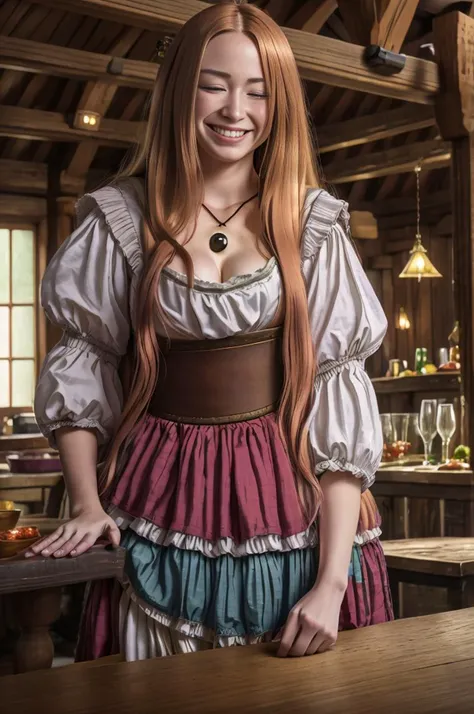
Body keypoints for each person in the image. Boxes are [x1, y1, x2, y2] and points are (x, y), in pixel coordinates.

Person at [29, 0, 393, 660]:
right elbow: (81, 364)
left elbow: (340, 406)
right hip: (156, 491)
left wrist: (333, 582)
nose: (236, 110)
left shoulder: (311, 224)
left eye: (257, 91)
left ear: (276, 103)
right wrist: (86, 504)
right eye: (214, 84)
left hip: (295, 502)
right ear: (177, 92)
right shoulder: (121, 218)